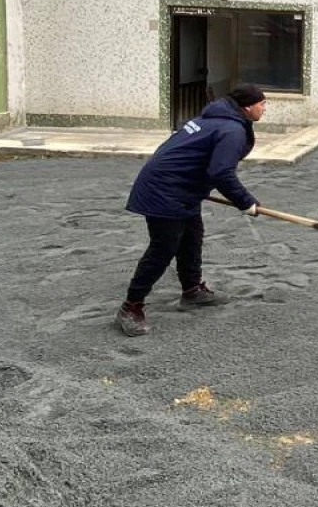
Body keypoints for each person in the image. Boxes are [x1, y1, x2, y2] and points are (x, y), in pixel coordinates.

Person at [114, 84, 267, 336]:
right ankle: (131, 307)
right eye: (262, 104)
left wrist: (195, 185)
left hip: (181, 188)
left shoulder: (213, 119)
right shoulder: (230, 129)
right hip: (164, 190)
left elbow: (195, 158)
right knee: (163, 248)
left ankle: (192, 291)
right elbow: (220, 171)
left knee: (191, 238)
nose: (264, 108)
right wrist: (245, 202)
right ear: (247, 107)